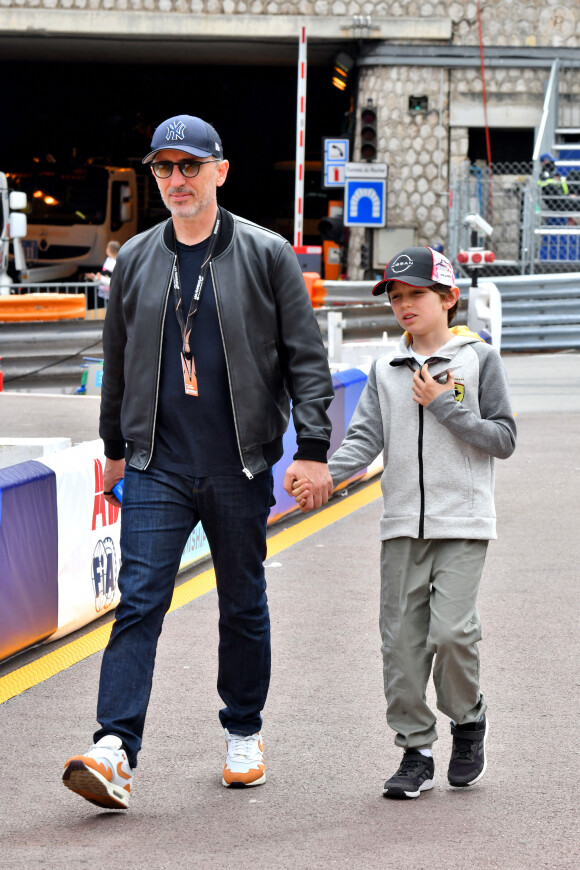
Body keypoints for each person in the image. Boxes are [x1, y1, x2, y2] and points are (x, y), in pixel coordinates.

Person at [62, 114, 334, 809]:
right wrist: (116, 451)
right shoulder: (138, 258)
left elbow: (306, 360)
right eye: (163, 169)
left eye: (188, 167)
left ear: (220, 170)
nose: (175, 180)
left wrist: (311, 451)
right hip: (157, 464)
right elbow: (117, 362)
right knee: (139, 601)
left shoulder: (268, 254)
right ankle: (115, 748)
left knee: (242, 604)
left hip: (240, 464)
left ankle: (243, 729)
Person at [293, 247, 517, 799]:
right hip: (400, 527)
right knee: (401, 646)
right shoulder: (384, 368)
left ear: (448, 298)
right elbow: (367, 441)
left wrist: (446, 405)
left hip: (462, 523)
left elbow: (504, 440)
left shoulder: (478, 360)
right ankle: (415, 751)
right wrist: (324, 476)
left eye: (415, 294)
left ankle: (468, 721)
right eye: (395, 297)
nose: (404, 306)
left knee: (452, 632)